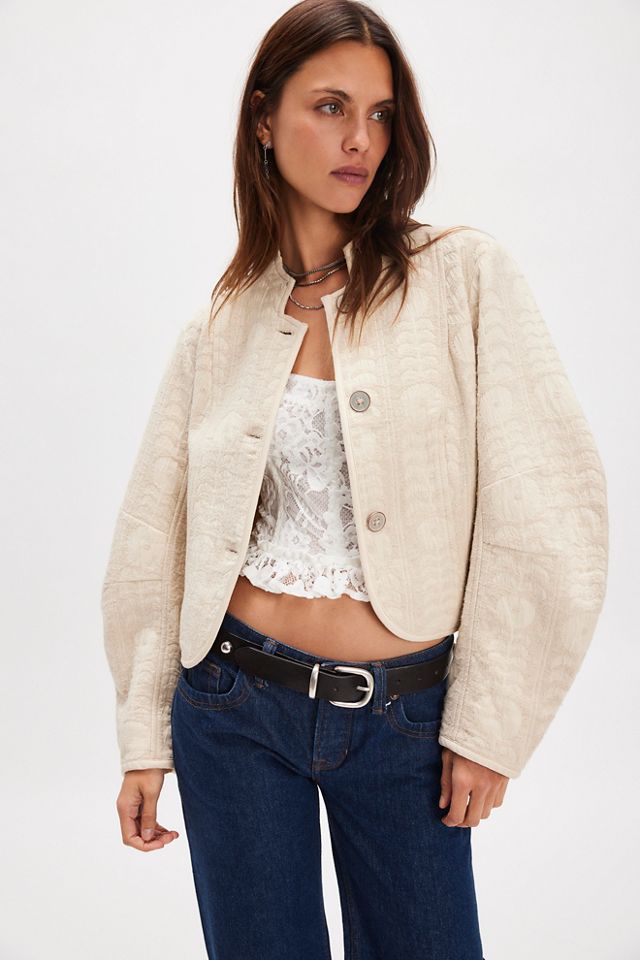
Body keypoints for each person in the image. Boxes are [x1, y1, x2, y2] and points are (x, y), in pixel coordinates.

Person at [101, 2, 609, 957]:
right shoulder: (221, 324)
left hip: (406, 723)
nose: (360, 139)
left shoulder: (461, 277)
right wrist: (143, 737)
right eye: (331, 106)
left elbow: (547, 508)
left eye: (380, 114)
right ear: (264, 118)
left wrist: (491, 727)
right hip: (229, 707)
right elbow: (152, 537)